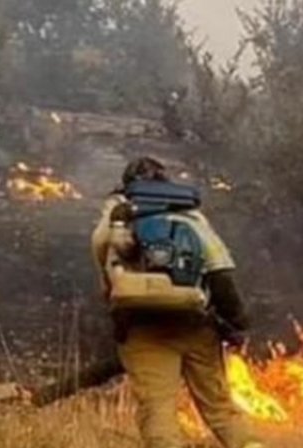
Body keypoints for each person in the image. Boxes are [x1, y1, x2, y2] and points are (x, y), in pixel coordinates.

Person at [90, 156, 261, 448]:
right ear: (165, 182)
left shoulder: (115, 218)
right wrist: (237, 324)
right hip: (197, 325)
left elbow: (106, 271)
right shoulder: (191, 216)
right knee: (221, 411)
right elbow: (221, 274)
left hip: (142, 332)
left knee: (158, 411)